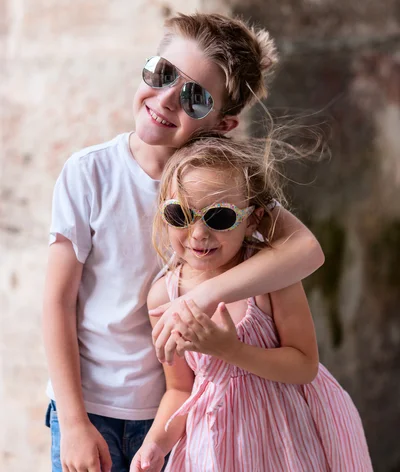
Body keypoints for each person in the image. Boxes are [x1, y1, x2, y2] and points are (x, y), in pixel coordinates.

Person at [43, 13, 325, 472]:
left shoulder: (221, 189)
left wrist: (209, 294)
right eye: (162, 73)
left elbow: (307, 250)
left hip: (178, 410)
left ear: (224, 123)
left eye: (195, 97)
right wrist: (73, 421)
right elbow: (57, 302)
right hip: (90, 404)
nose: (167, 98)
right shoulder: (89, 172)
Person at [131, 134, 373, 472]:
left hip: (284, 438)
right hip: (214, 444)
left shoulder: (271, 277)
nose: (198, 233)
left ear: (253, 219)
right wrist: (155, 444)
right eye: (179, 214)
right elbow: (179, 389)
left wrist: (230, 351)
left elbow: (305, 366)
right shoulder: (164, 297)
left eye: (219, 217)